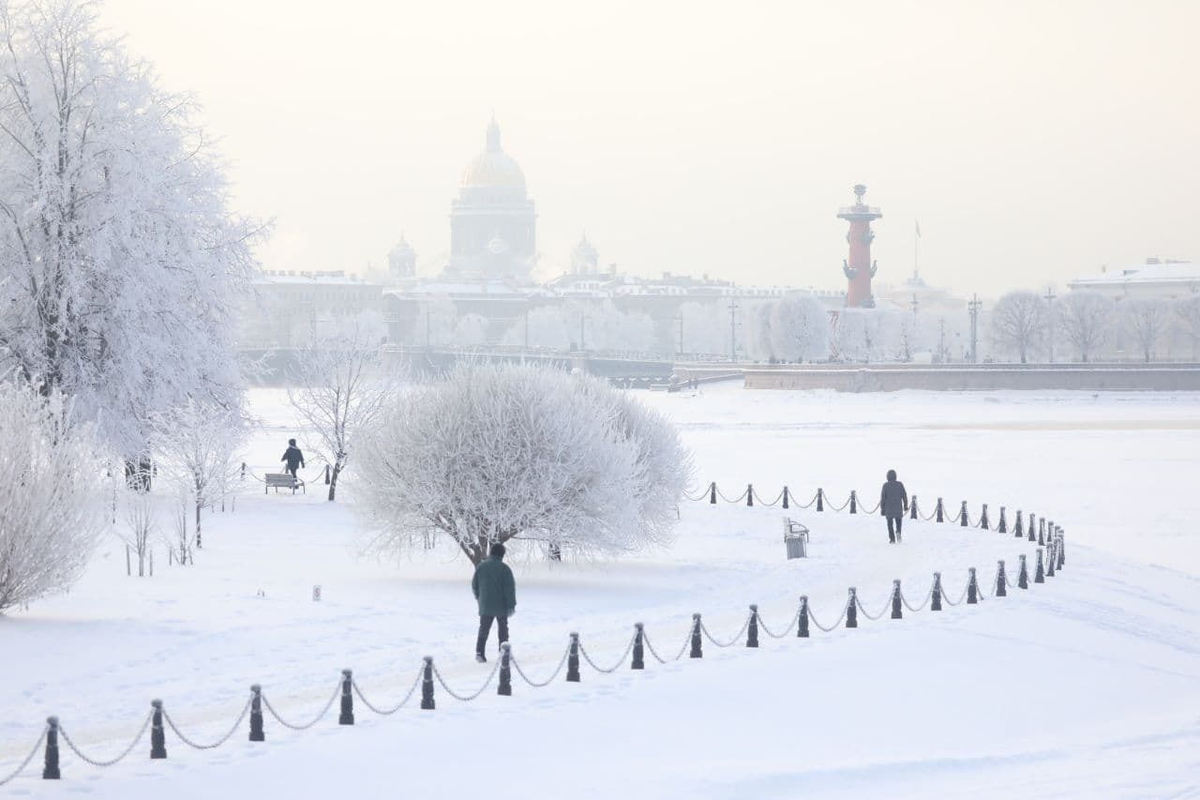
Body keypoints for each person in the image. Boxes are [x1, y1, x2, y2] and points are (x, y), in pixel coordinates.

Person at [471, 542, 516, 662]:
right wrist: (511, 605)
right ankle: (504, 652)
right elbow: (509, 589)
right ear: (502, 554)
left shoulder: (481, 566)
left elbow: (474, 585)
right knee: (503, 629)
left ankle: (480, 653)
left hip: (485, 603)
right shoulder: (505, 569)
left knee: (483, 629)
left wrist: (479, 598)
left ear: (491, 553)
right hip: (501, 605)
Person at [880, 469, 909, 544]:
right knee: (898, 521)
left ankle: (892, 539)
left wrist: (882, 508)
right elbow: (904, 496)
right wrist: (905, 506)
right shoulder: (900, 484)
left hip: (888, 509)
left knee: (890, 524)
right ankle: (898, 532)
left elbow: (883, 498)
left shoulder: (885, 485)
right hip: (898, 508)